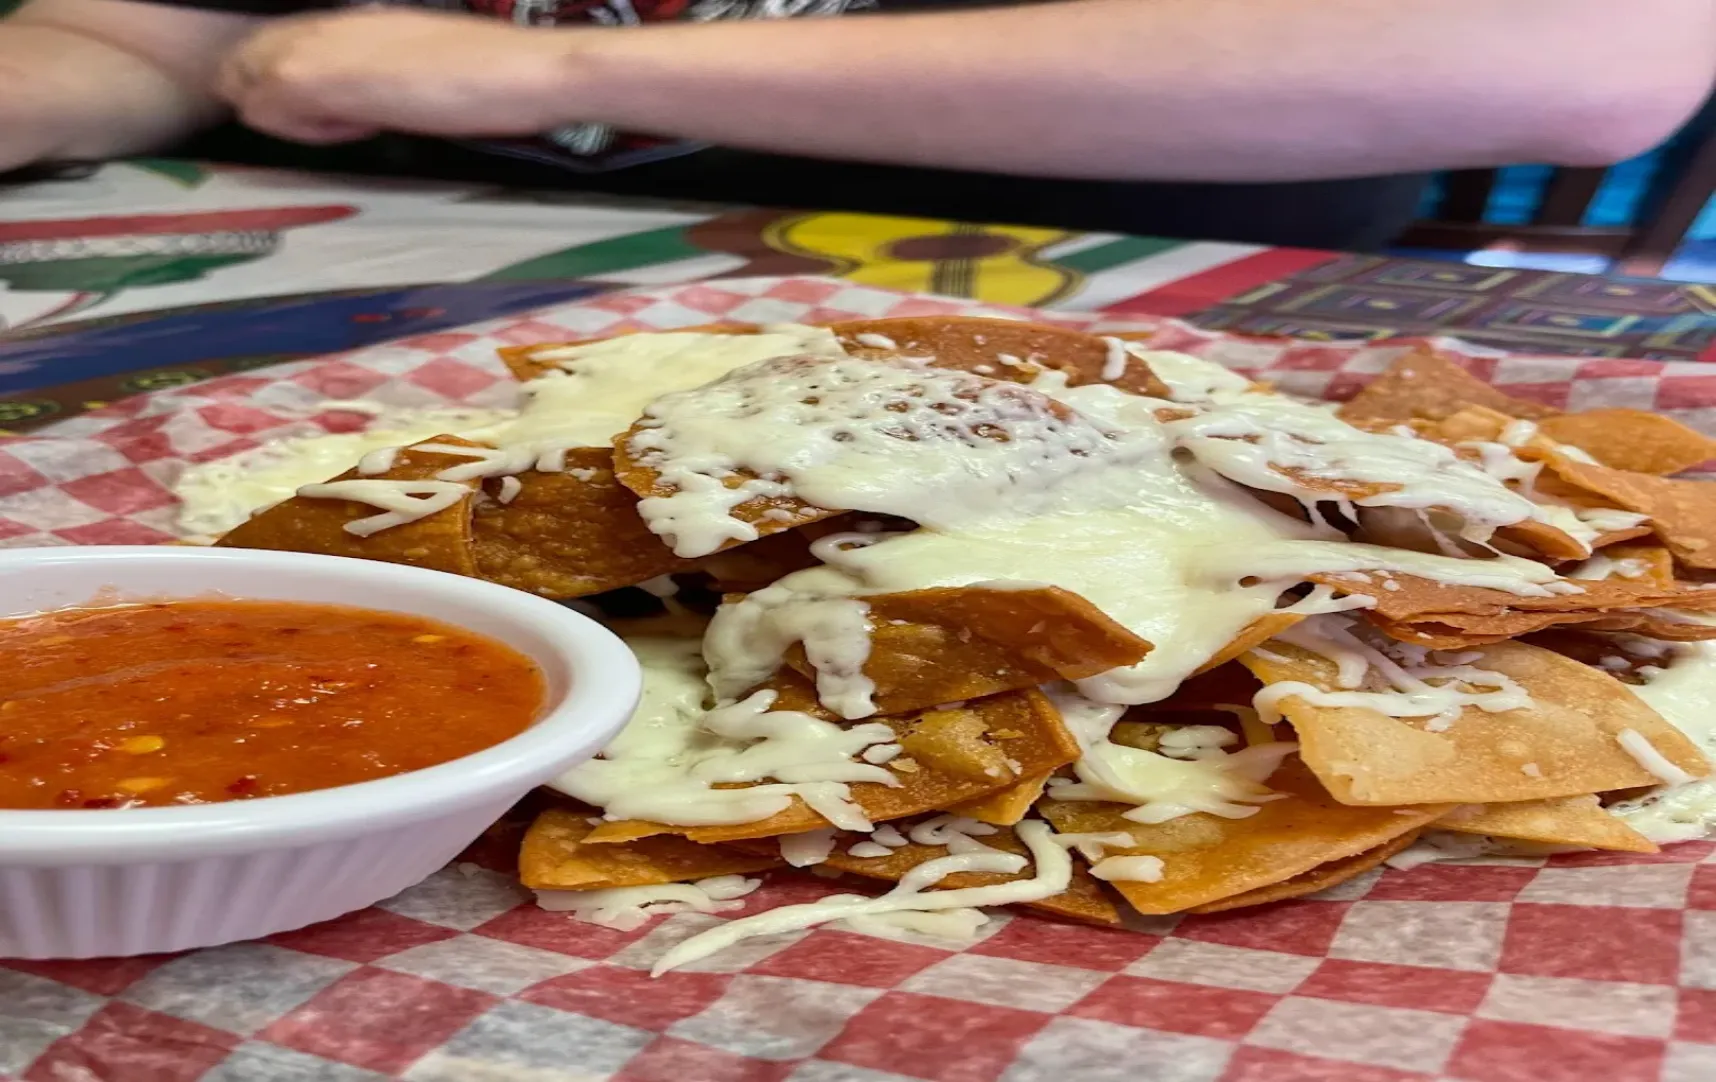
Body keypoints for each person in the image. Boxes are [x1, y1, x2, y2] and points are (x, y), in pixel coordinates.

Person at [0, 0, 1711, 248]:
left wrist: (561, 72)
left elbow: (1578, 58)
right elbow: (164, 40)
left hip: (1166, 323)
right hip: (378, 302)